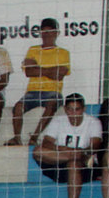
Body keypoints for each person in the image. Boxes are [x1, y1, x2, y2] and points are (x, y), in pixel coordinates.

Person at [32, 92, 102, 198]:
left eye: (77, 109)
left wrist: (79, 154)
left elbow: (95, 145)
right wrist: (68, 151)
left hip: (83, 167)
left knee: (74, 164)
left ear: (83, 109)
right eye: (70, 109)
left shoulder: (93, 122)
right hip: (59, 164)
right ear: (65, 109)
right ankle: (73, 156)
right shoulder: (58, 120)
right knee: (37, 151)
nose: (73, 113)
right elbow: (47, 142)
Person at [9, 18, 69, 147]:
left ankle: (34, 137)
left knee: (52, 103)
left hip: (53, 92)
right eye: (44, 31)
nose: (47, 35)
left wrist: (38, 68)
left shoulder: (63, 53)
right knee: (18, 106)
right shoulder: (33, 49)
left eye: (50, 31)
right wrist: (51, 70)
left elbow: (59, 75)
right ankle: (16, 138)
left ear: (56, 33)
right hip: (32, 92)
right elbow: (29, 72)